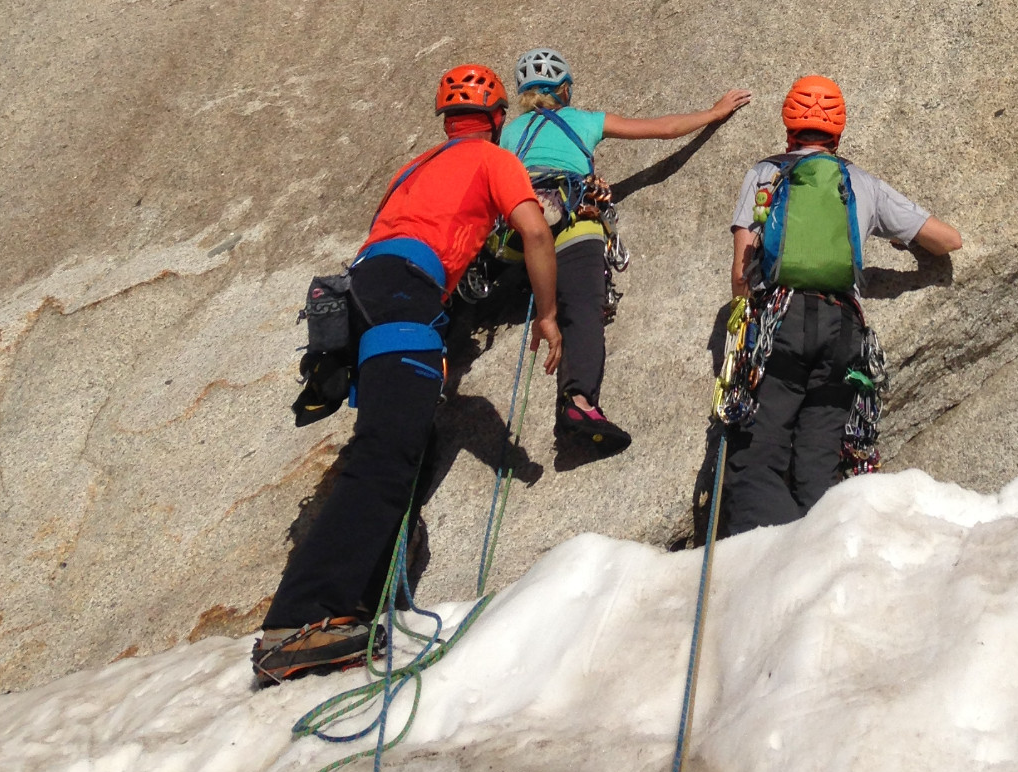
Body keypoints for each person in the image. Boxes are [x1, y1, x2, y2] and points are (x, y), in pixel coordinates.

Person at [252, 64, 561, 685]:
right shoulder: (494, 159)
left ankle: (349, 610)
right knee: (387, 449)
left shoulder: (413, 168)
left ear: (448, 120)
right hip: (404, 294)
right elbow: (534, 231)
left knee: (397, 440)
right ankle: (301, 620)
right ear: (499, 118)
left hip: (361, 294)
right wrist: (549, 315)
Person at [722, 75, 961, 534]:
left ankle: (770, 561)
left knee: (758, 459)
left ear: (788, 124)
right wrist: (898, 242)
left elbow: (740, 272)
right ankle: (826, 554)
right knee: (819, 465)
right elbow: (948, 240)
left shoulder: (766, 174)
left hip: (781, 322)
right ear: (839, 132)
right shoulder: (860, 181)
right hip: (843, 332)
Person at [498, 48, 751, 454]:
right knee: (582, 309)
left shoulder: (510, 134)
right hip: (574, 226)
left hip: (522, 236)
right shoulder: (581, 120)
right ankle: (578, 402)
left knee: (555, 298)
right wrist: (713, 112)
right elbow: (663, 129)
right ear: (563, 90)